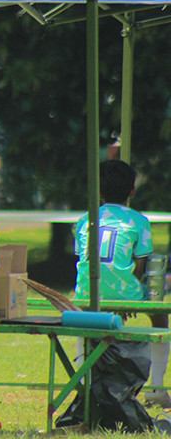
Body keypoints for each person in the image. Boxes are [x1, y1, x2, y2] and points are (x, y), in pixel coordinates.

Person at [73, 160, 169, 406]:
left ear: (99, 192)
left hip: (86, 292)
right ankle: (156, 387)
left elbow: (84, 260)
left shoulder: (86, 219)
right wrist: (124, 298)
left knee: (82, 320)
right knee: (160, 317)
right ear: (132, 191)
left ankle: (83, 384)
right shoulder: (139, 221)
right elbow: (141, 265)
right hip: (124, 290)